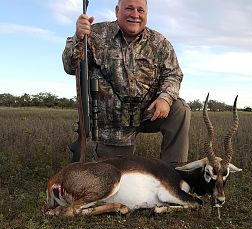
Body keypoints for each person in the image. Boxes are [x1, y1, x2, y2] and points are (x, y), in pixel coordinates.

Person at [62, 0, 191, 166]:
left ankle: (173, 174)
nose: (135, 15)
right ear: (117, 11)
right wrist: (78, 37)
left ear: (146, 14)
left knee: (180, 109)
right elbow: (70, 66)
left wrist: (165, 97)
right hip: (113, 125)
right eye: (129, 8)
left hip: (147, 113)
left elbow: (173, 73)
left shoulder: (159, 42)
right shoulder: (94, 34)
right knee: (115, 178)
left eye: (140, 10)